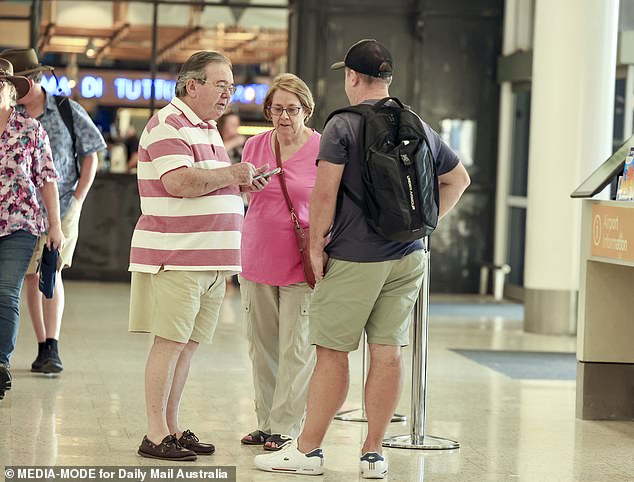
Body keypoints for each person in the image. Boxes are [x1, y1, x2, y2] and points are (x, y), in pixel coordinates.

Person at [254, 39, 471, 478]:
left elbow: (324, 193)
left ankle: (309, 451)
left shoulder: (343, 125)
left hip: (355, 258)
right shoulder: (417, 123)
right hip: (408, 257)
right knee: (387, 352)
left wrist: (315, 248)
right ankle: (374, 454)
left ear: (352, 77)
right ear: (387, 78)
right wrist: (423, 229)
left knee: (332, 352)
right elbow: (458, 179)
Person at [127, 50, 268, 462]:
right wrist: (233, 174)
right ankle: (154, 435)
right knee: (169, 344)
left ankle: (171, 426)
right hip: (177, 255)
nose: (228, 93)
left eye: (231, 86)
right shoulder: (168, 123)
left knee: (187, 346)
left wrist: (240, 185)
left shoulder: (205, 128)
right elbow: (180, 183)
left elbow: (208, 183)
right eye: (220, 84)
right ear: (193, 85)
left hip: (209, 260)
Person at [0, 48, 107, 374]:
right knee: (29, 278)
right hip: (23, 213)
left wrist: (77, 199)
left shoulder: (63, 110)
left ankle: (52, 345)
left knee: (49, 270)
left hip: (58, 204)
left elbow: (91, 154)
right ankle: (42, 343)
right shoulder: (17, 114)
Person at [239, 73, 320, 451]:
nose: (283, 116)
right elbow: (242, 196)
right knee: (262, 344)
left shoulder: (323, 148)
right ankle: (266, 420)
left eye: (291, 109)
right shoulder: (254, 145)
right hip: (257, 255)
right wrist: (246, 186)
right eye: (276, 109)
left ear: (306, 109)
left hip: (301, 261)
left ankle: (286, 425)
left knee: (296, 346)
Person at [0, 58, 64, 400]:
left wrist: (55, 225)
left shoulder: (30, 130)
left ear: (11, 91)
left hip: (20, 224)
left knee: (5, 290)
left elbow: (47, 180)